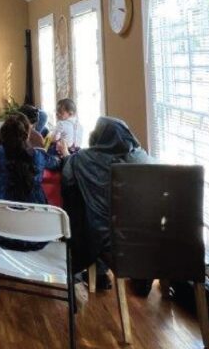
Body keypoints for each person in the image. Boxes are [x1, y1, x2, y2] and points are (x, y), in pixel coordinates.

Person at [63, 116, 151, 288]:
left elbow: (67, 178)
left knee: (82, 204)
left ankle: (98, 271)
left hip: (105, 237)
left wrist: (67, 154)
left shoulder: (84, 159)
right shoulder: (142, 159)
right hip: (146, 237)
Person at [0, 113, 66, 250]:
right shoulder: (39, 156)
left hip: (0, 235)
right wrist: (64, 152)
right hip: (37, 237)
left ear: (2, 134)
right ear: (27, 135)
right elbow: (58, 163)